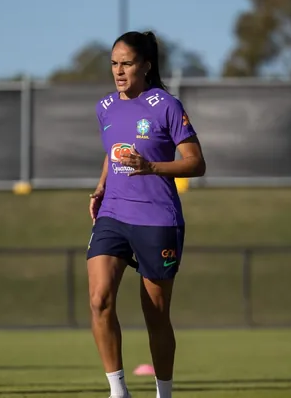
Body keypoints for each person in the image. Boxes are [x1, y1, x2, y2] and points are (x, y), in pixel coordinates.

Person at [87, 30, 206, 398]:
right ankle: (117, 391)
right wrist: (101, 186)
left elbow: (196, 163)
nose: (119, 71)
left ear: (146, 65)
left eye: (127, 63)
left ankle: (164, 393)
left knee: (155, 314)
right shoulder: (104, 107)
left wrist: (152, 167)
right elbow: (113, 152)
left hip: (157, 218)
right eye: (114, 64)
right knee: (99, 299)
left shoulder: (166, 105)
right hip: (113, 214)